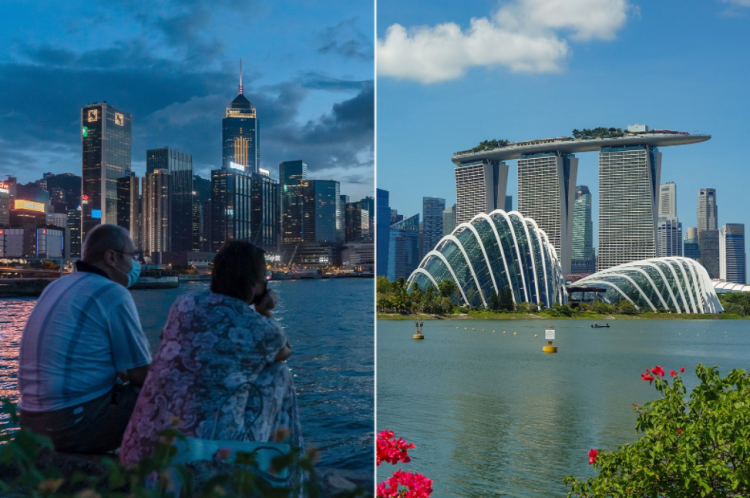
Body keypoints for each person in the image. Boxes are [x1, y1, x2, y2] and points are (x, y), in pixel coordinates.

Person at [120, 240, 302, 466]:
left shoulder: (183, 305)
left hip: (140, 454)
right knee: (278, 373)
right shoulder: (257, 327)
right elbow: (284, 351)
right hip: (201, 461)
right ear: (255, 284)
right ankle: (288, 477)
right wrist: (264, 310)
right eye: (264, 276)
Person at [18, 224, 151, 453]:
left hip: (29, 424)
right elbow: (142, 375)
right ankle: (159, 477)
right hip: (69, 426)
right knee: (167, 388)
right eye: (132, 255)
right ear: (111, 257)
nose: (135, 264)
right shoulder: (112, 292)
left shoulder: (56, 286)